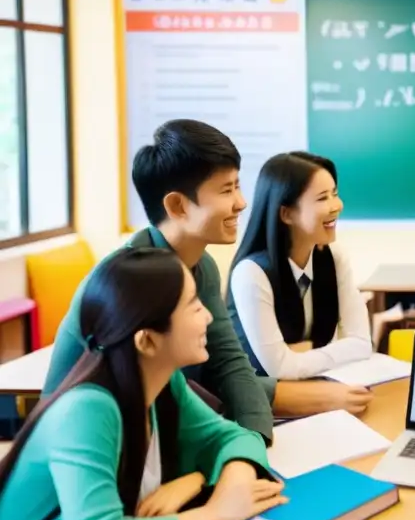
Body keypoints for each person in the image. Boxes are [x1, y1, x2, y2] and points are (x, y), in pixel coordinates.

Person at [0, 248, 286, 520]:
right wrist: (216, 513)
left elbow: (234, 436)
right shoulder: (86, 411)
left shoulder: (162, 382)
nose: (208, 315)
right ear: (147, 340)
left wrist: (215, 484)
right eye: (192, 305)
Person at [42, 119, 273, 444]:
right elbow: (162, 396)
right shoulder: (130, 282)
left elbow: (228, 361)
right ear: (177, 205)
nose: (241, 202)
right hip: (92, 446)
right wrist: (238, 452)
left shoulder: (201, 265)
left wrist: (256, 439)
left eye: (237, 186)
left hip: (154, 437)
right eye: (227, 189)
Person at [227, 151, 373, 416]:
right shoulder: (251, 273)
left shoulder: (334, 258)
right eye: (322, 198)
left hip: (316, 394)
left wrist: (298, 355)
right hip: (262, 409)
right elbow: (278, 369)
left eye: (334, 193)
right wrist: (328, 351)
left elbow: (362, 344)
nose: (336, 205)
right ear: (286, 214)